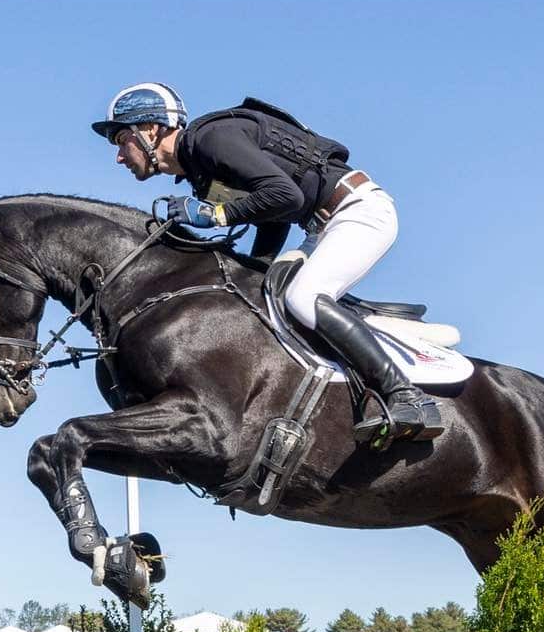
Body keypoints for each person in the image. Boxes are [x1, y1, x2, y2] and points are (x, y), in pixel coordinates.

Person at [90, 82, 442, 446]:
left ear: (150, 129)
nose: (119, 157)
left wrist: (216, 215)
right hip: (321, 225)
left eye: (121, 140)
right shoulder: (199, 167)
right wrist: (254, 267)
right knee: (266, 295)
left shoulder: (210, 140)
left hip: (357, 211)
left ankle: (406, 396)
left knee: (304, 298)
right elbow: (274, 217)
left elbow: (286, 197)